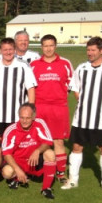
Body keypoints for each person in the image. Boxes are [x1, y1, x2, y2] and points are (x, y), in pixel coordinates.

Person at [61, 37, 102, 195]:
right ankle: (73, 180)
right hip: (81, 118)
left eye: (93, 50)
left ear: (101, 50)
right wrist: (83, 104)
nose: (90, 53)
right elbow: (75, 88)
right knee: (76, 147)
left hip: (101, 120)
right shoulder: (81, 68)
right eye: (88, 50)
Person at [30, 34, 74, 184]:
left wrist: (57, 96)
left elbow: (71, 84)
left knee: (58, 142)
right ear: (41, 47)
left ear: (55, 46)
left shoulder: (65, 63)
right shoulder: (34, 64)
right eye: (45, 46)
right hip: (39, 107)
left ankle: (61, 173)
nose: (48, 48)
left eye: (51, 45)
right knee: (38, 141)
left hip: (58, 107)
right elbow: (30, 86)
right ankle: (36, 169)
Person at [0, 37, 37, 135]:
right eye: (5, 50)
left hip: (17, 115)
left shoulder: (23, 66)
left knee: (17, 143)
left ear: (15, 50)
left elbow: (31, 89)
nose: (8, 52)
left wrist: (30, 108)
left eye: (10, 49)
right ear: (0, 50)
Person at [1, 103, 56, 199]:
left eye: (28, 118)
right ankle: (16, 178)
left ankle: (46, 188)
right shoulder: (11, 130)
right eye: (22, 118)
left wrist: (37, 151)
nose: (24, 121)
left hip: (34, 161)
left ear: (34, 116)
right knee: (7, 172)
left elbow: (48, 142)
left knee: (50, 153)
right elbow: (6, 154)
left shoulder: (40, 124)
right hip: (18, 163)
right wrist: (17, 170)